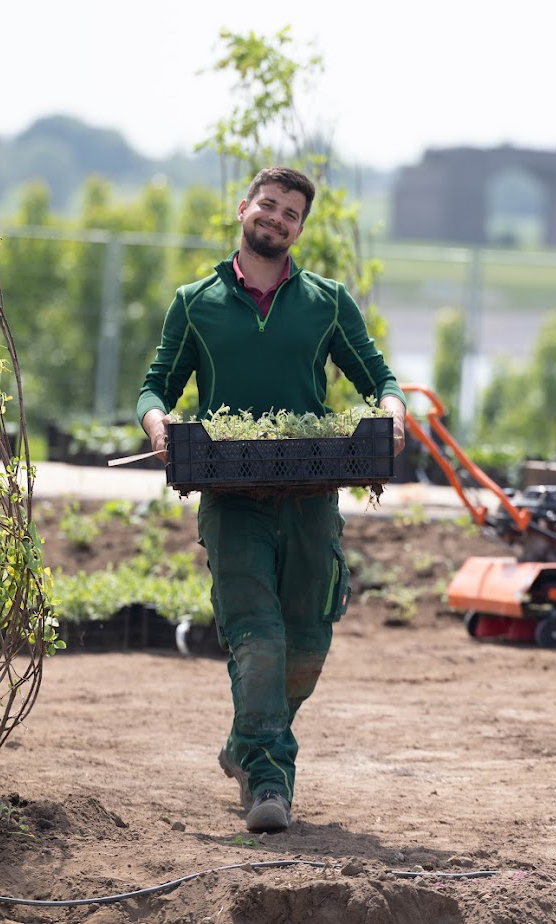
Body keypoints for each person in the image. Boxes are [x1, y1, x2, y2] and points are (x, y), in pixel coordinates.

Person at [137, 166, 406, 834]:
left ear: (299, 229)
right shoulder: (195, 301)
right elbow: (155, 386)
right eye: (268, 205)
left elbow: (379, 378)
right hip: (232, 497)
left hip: (311, 496)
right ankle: (268, 778)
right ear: (243, 208)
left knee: (307, 644)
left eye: (291, 213)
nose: (277, 218)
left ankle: (244, 743)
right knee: (257, 638)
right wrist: (158, 425)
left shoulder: (327, 301)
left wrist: (393, 413)